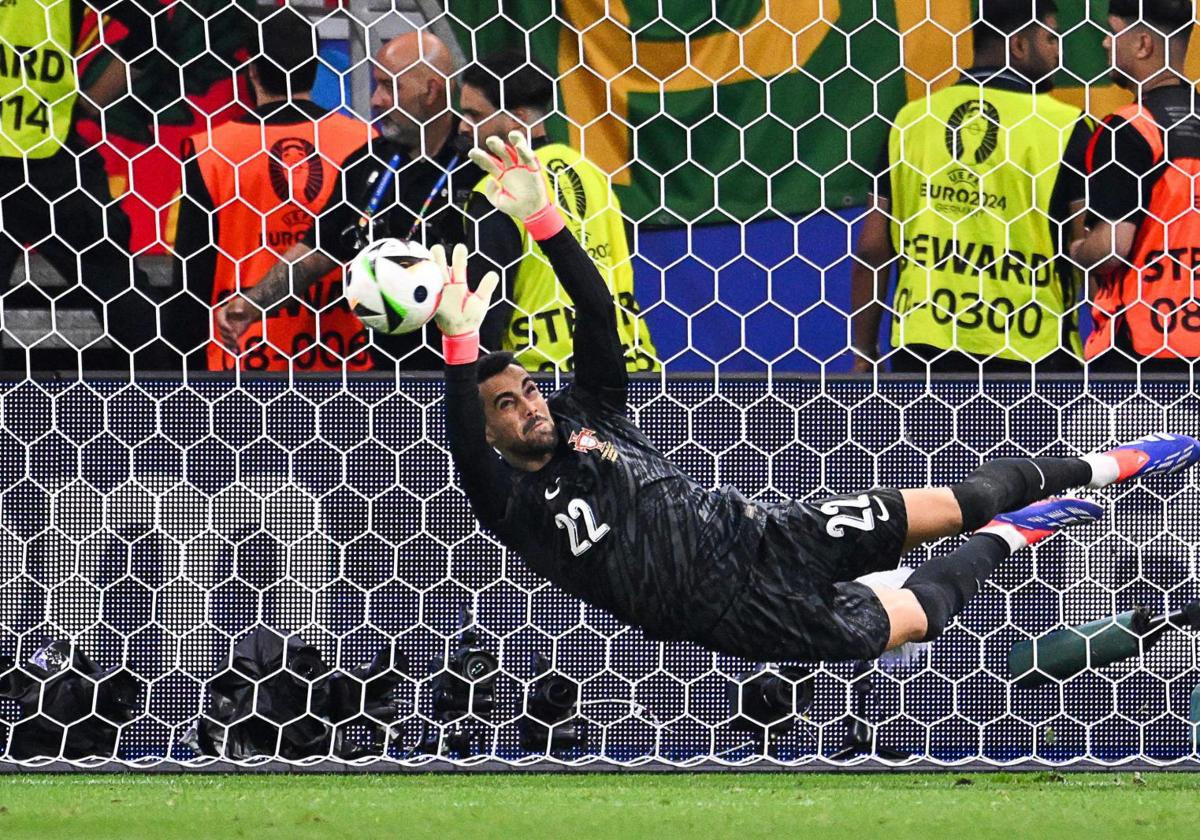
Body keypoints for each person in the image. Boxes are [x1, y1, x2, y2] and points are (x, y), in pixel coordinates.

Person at [433, 131, 1200, 663]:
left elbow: (596, 317)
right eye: (507, 405)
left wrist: (544, 220)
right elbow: (465, 444)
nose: (530, 405)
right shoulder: (510, 504)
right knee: (912, 618)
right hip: (727, 612)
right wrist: (461, 352)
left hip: (763, 531)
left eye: (529, 388)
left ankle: (1111, 462)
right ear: (492, 432)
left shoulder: (587, 415)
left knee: (945, 504)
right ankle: (1014, 536)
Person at [214, 30, 480, 371]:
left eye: (389, 86)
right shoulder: (366, 162)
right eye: (376, 85)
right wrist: (254, 303)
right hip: (385, 369)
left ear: (430, 91)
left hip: (467, 364)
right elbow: (319, 249)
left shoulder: (477, 164)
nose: (376, 100)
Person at [851, 0, 1090, 375]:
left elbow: (872, 249)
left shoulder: (912, 121)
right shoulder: (1065, 126)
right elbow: (1087, 251)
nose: (1058, 53)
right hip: (1031, 351)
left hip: (924, 348)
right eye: (1050, 39)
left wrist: (865, 350)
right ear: (1019, 46)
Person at [172, 8, 376, 372]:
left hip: (243, 362)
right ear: (316, 68)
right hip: (347, 358)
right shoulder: (363, 142)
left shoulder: (211, 151)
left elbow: (192, 280)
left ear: (251, 71)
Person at [458, 51, 657, 372]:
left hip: (540, 382)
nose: (464, 127)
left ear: (518, 119)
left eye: (475, 115)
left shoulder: (497, 191)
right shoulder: (595, 175)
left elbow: (485, 310)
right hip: (631, 366)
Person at [0, 0, 163, 372]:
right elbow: (149, 26)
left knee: (123, 295)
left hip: (49, 157)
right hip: (54, 156)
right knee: (122, 293)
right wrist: (88, 104)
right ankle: (167, 407)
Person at [1071, 0, 1199, 372]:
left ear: (1143, 44)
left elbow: (1112, 247)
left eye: (1113, 33)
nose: (1105, 44)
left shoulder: (1127, 129)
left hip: (1139, 351)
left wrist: (1079, 249)